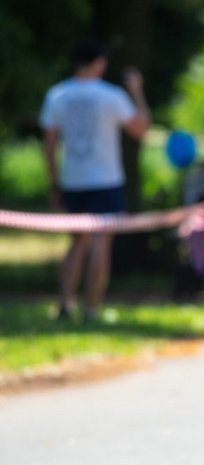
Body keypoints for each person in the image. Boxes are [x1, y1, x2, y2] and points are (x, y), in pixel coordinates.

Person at [40, 38, 150, 322]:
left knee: (77, 243)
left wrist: (54, 183)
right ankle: (91, 308)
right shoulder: (111, 96)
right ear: (99, 62)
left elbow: (50, 145)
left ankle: (65, 304)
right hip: (106, 180)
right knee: (101, 243)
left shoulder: (57, 95)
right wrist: (137, 92)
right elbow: (141, 129)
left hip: (72, 179)